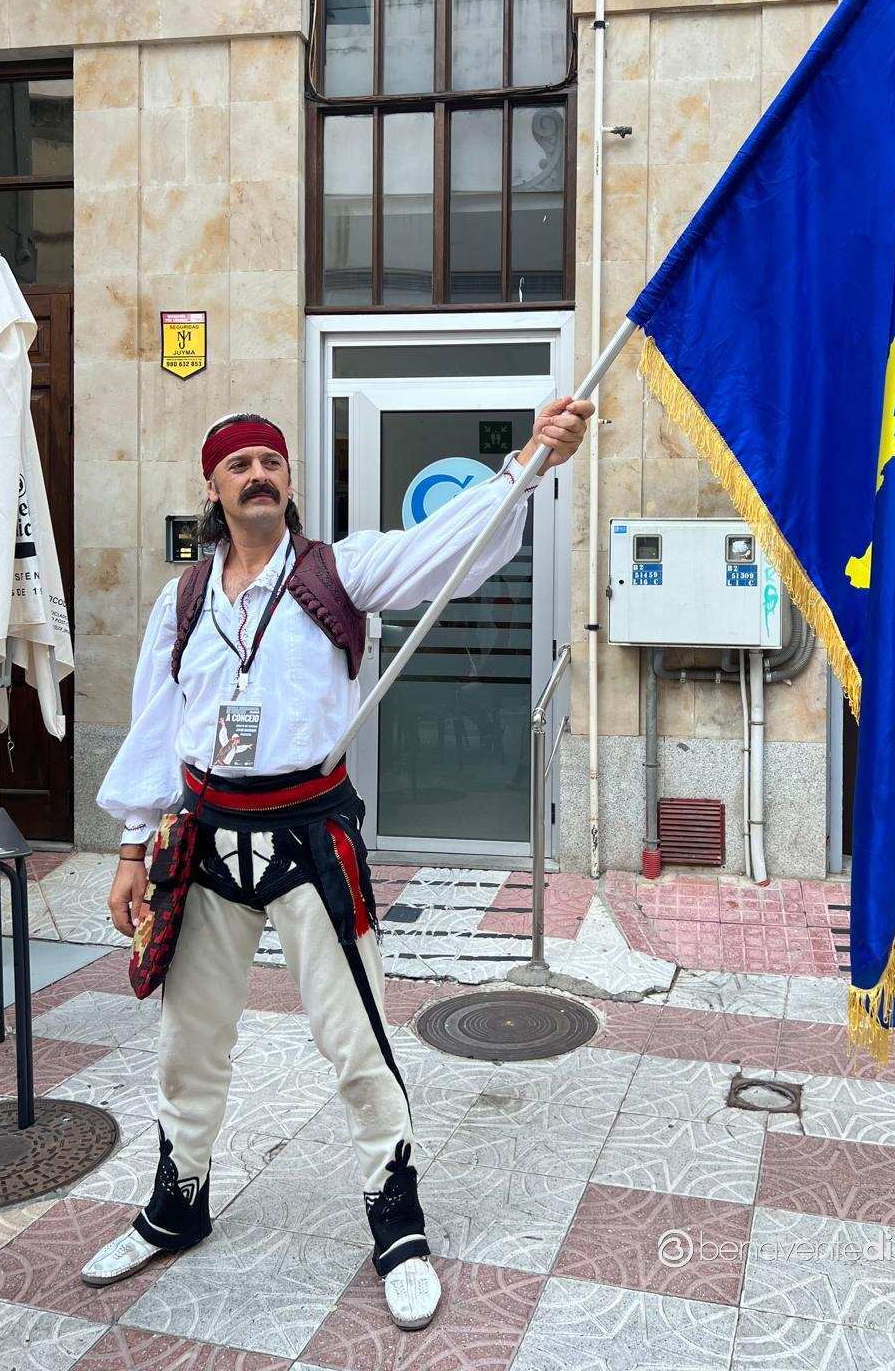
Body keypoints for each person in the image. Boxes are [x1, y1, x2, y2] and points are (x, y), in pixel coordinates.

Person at [79, 399, 592, 1331]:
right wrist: (128, 847)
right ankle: (176, 1204)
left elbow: (440, 546)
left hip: (310, 837)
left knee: (355, 1040)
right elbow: (157, 721)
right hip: (203, 839)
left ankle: (397, 1224)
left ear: (289, 480)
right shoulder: (184, 599)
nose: (258, 475)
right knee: (189, 1042)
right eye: (240, 465)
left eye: (270, 462)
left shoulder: (337, 572)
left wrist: (529, 464)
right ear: (212, 487)